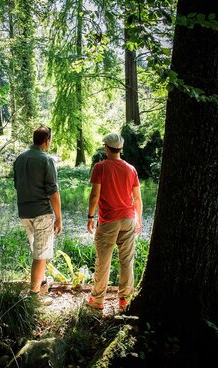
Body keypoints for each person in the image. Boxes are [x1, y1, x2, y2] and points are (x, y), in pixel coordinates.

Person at [86, 133, 142, 313]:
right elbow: (137, 199)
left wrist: (90, 217)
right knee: (126, 260)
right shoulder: (130, 169)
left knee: (103, 260)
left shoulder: (100, 167)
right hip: (128, 219)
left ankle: (98, 300)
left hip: (109, 220)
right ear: (121, 149)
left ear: (106, 148)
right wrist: (138, 219)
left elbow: (95, 195)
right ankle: (124, 300)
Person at [13, 126, 63, 295]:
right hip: (42, 212)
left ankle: (41, 285)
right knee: (40, 255)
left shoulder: (19, 159)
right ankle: (34, 296)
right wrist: (59, 218)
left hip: (24, 212)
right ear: (47, 141)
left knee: (37, 250)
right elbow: (53, 192)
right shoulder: (46, 160)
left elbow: (16, 185)